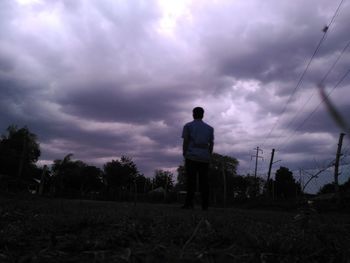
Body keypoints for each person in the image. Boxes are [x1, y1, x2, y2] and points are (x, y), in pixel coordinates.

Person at [182, 107, 214, 210]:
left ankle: (188, 204)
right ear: (203, 115)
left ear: (193, 114)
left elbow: (186, 141)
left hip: (191, 156)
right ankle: (205, 205)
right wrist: (208, 154)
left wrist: (185, 152)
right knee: (204, 182)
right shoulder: (209, 128)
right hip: (204, 157)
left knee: (191, 181)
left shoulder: (188, 126)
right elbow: (211, 144)